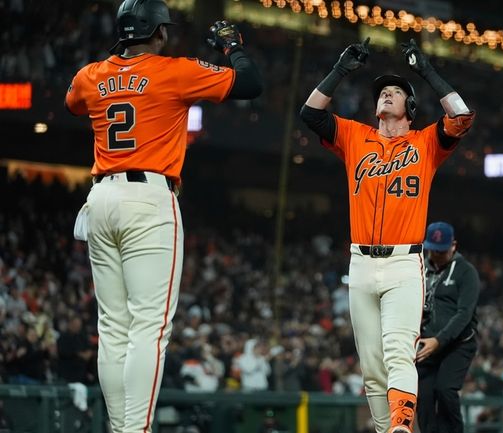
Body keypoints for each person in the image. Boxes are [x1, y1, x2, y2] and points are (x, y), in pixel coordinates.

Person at [64, 0, 262, 431]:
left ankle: (122, 428)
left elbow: (72, 103)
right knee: (148, 328)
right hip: (148, 199)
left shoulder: (91, 75)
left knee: (113, 326)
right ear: (157, 32)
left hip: (100, 198)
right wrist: (232, 47)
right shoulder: (173, 69)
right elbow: (250, 83)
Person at [299, 37, 475, 433]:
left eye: (396, 92)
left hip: (402, 261)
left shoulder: (426, 142)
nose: (387, 95)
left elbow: (462, 117)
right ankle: (389, 430)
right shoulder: (355, 137)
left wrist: (426, 72)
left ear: (410, 109)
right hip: (360, 262)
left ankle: (399, 426)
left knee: (398, 353)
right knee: (373, 367)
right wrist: (340, 71)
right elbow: (309, 114)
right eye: (382, 92)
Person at [416, 222, 480, 433]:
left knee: (445, 390)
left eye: (441, 250)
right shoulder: (420, 267)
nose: (436, 254)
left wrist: (439, 340)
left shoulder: (466, 272)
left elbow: (464, 314)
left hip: (458, 344)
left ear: (453, 245)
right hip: (427, 343)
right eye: (433, 249)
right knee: (423, 396)